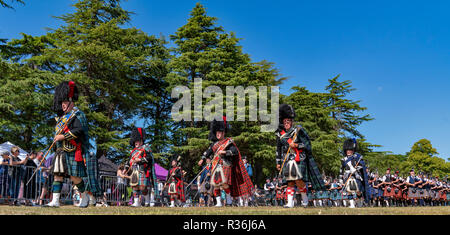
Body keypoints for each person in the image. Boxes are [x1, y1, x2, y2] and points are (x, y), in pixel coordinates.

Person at [45, 80, 99, 208]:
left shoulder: (77, 115)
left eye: (65, 102)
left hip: (73, 150)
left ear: (71, 102)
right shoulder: (61, 118)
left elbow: (79, 131)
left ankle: (84, 196)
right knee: (57, 175)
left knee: (75, 177)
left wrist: (62, 136)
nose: (63, 105)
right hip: (60, 151)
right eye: (62, 102)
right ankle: (55, 201)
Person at [275, 104, 326, 208]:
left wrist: (297, 145)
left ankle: (305, 201)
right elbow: (278, 149)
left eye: (288, 121)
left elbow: (307, 145)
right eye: (284, 122)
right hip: (287, 160)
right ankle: (290, 203)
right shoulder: (280, 135)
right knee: (289, 182)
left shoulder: (298, 131)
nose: (286, 123)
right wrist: (278, 162)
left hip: (298, 159)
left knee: (299, 181)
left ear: (292, 121)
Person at [198, 116, 254, 207]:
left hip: (225, 165)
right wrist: (202, 159)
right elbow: (208, 152)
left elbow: (234, 152)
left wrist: (224, 152)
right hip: (215, 166)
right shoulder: (214, 144)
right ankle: (219, 202)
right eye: (217, 132)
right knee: (216, 185)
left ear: (223, 133)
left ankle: (229, 201)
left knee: (224, 184)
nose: (218, 134)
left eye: (220, 132)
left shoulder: (228, 142)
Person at [126, 127, 158, 207]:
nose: (136, 142)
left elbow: (149, 158)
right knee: (134, 186)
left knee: (143, 187)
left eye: (137, 141)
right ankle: (136, 202)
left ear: (141, 141)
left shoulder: (146, 148)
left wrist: (139, 160)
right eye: (135, 141)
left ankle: (147, 200)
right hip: (134, 171)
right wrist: (125, 169)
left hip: (143, 170)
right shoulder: (133, 151)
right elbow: (128, 161)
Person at [340, 138, 369, 208]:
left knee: (358, 191)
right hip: (348, 176)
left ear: (353, 150)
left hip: (356, 175)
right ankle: (352, 204)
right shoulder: (343, 159)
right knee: (349, 190)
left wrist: (355, 169)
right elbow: (341, 169)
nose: (348, 151)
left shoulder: (357, 158)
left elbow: (361, 166)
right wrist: (340, 178)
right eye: (347, 150)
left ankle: (359, 202)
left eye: (350, 150)